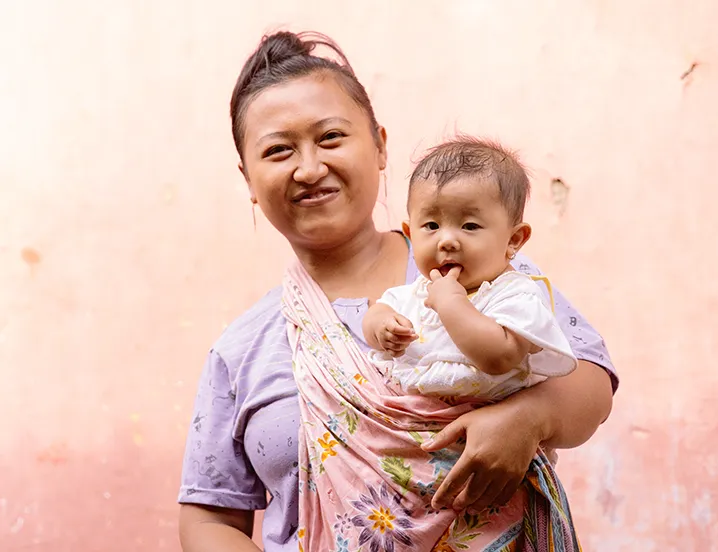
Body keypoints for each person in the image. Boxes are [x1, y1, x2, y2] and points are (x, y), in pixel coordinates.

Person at [178, 30, 617, 552]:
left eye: (332, 137)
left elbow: (591, 380)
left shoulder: (489, 277)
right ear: (249, 178)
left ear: (380, 146)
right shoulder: (241, 349)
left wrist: (530, 418)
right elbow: (209, 519)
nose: (310, 167)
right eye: (278, 150)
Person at [364, 136, 577, 402]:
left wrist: (452, 303)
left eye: (470, 226)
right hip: (411, 424)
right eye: (431, 226)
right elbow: (376, 313)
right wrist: (381, 327)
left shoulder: (515, 294)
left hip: (486, 432)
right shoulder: (412, 295)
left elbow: (500, 357)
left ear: (513, 240)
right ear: (410, 233)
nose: (447, 241)